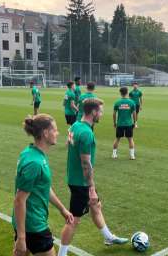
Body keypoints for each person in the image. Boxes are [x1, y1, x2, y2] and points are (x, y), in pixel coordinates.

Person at [58, 98, 128, 256]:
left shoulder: (76, 126)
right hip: (81, 183)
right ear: (93, 112)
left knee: (96, 206)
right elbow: (86, 164)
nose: (102, 114)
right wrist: (91, 188)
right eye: (100, 111)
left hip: (74, 178)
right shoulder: (87, 133)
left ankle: (109, 237)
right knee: (73, 220)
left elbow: (70, 146)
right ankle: (61, 254)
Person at [12, 114, 74, 256]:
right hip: (34, 225)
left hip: (27, 223)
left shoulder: (31, 153)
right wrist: (22, 238)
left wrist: (62, 209)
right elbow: (19, 200)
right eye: (55, 130)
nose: (57, 133)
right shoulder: (35, 162)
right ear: (45, 133)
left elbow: (43, 188)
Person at [113, 87, 137, 160]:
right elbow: (134, 113)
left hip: (120, 124)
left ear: (120, 93)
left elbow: (114, 114)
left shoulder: (117, 102)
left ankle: (114, 154)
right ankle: (132, 155)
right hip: (129, 124)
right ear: (127, 92)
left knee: (117, 139)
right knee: (130, 139)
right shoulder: (132, 102)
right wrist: (135, 122)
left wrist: (114, 123)